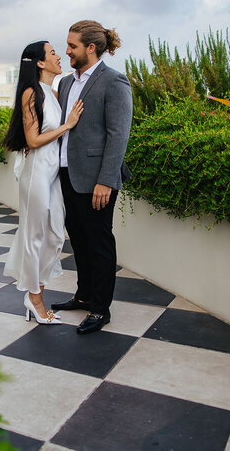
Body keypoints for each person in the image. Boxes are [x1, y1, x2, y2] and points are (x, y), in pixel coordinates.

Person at [51, 20, 132, 335]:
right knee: (79, 242)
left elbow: (118, 135)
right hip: (67, 176)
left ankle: (100, 308)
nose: (67, 51)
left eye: (72, 46)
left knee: (99, 243)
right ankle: (83, 295)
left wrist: (106, 180)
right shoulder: (67, 83)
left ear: (91, 48)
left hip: (97, 180)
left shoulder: (114, 82)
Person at [2, 41, 84, 325]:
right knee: (34, 235)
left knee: (56, 235)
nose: (58, 56)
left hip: (53, 173)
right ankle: (34, 299)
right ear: (39, 62)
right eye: (52, 53)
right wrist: (67, 125)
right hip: (36, 170)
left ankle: (36, 294)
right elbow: (33, 140)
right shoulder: (30, 93)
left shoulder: (55, 91)